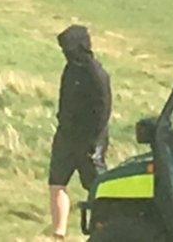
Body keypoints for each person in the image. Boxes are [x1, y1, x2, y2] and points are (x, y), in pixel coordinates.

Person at [48, 25, 112, 240]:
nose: (66, 53)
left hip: (90, 141)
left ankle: (104, 229)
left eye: (69, 48)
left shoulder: (97, 74)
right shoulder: (70, 69)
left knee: (98, 188)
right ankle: (58, 233)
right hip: (66, 135)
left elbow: (103, 110)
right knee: (57, 183)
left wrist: (94, 141)